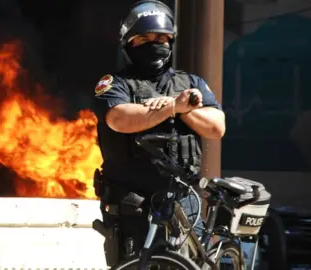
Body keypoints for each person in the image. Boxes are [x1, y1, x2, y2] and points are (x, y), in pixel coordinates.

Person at [92, 0, 225, 267]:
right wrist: (174, 106)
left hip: (182, 199)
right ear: (129, 42)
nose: (156, 43)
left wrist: (181, 110)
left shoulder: (191, 83)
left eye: (162, 38)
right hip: (132, 201)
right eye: (145, 38)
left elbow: (216, 127)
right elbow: (119, 119)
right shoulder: (114, 84)